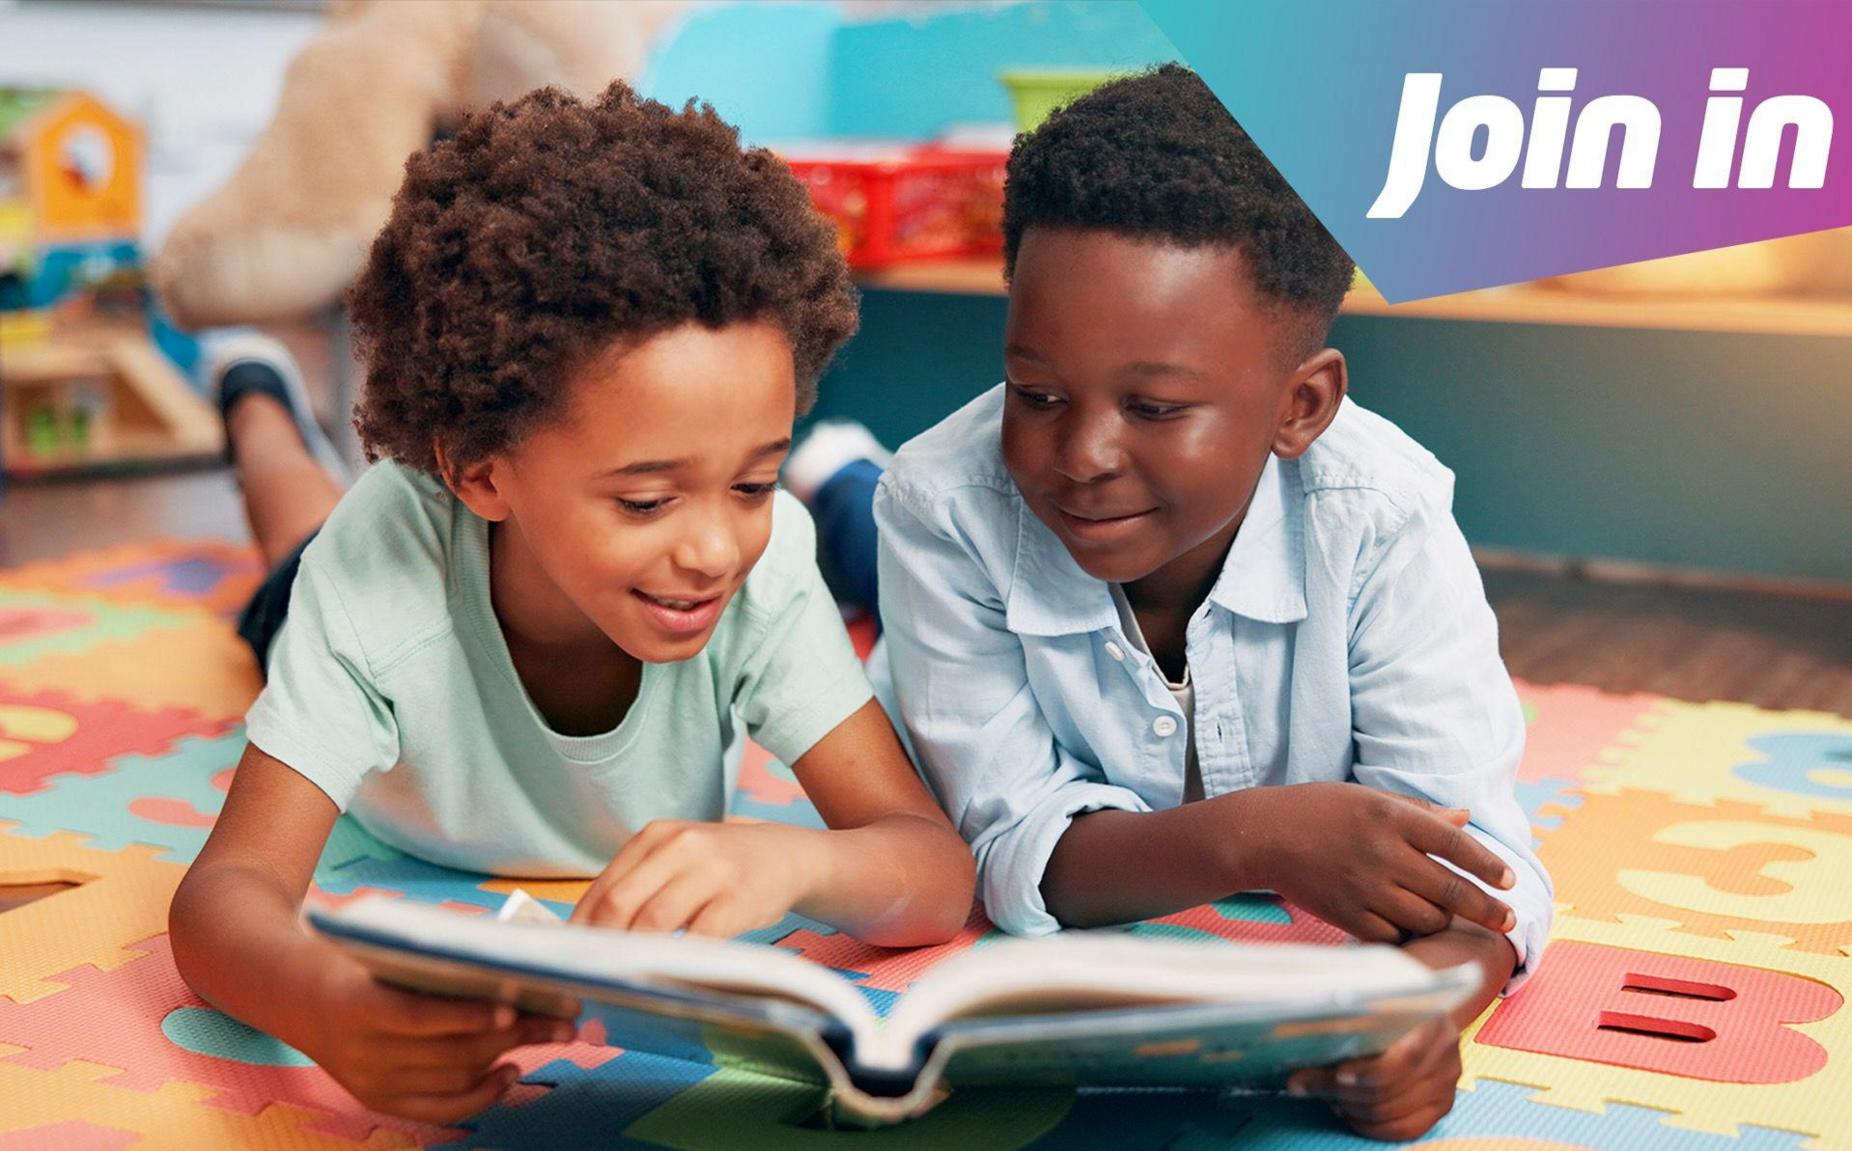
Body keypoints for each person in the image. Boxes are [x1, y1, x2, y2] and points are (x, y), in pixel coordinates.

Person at [169, 83, 973, 1125]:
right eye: (645, 498)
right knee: (296, 537)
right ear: (480, 473)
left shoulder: (760, 571)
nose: (713, 546)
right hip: (361, 583)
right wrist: (326, 1002)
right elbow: (220, 900)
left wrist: (800, 858)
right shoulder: (381, 576)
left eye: (754, 479)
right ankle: (258, 397)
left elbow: (934, 869)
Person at [789, 64, 1552, 1142]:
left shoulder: (1384, 515)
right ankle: (837, 481)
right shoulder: (949, 502)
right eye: (1036, 391)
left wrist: (1420, 1013)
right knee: (881, 524)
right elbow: (1007, 850)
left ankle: (835, 475)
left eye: (1152, 406)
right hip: (923, 555)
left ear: (1300, 406)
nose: (1084, 452)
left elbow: (1489, 870)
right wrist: (1252, 838)